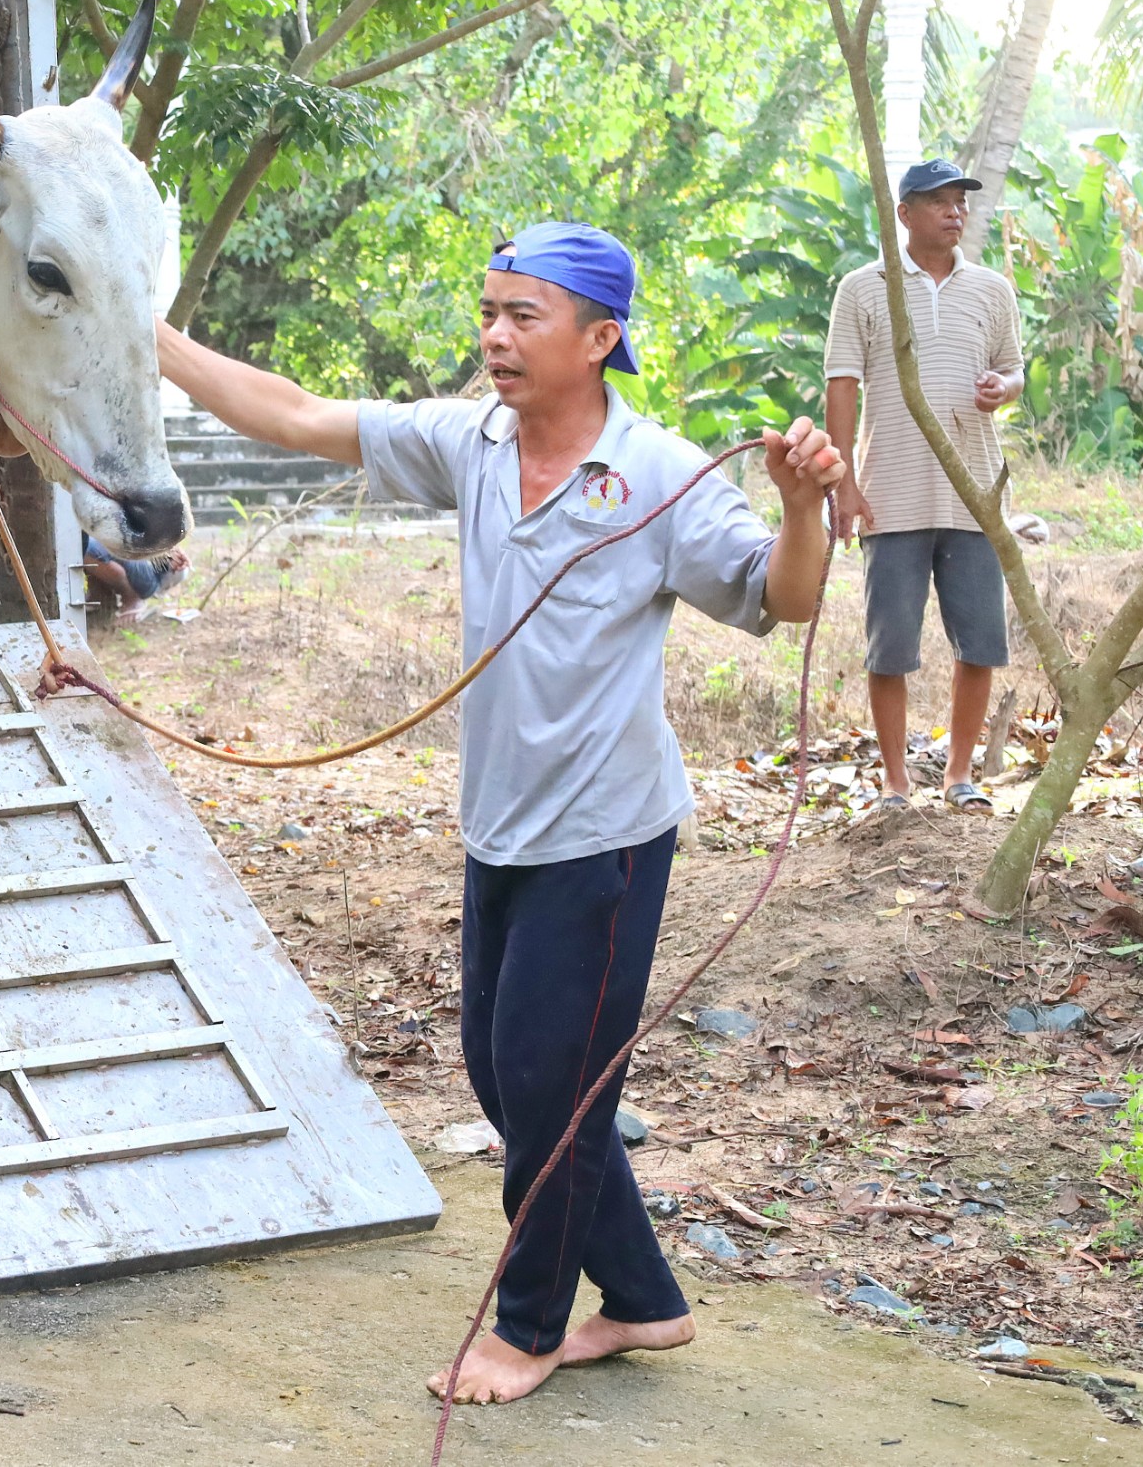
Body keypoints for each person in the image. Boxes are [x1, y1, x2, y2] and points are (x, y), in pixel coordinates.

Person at [154, 222, 842, 1407]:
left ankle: (525, 1329)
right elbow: (292, 414)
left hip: (609, 838)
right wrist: (143, 333)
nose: (494, 337)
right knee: (507, 1075)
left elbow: (782, 598)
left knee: (546, 1081)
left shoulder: (660, 473)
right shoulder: (471, 441)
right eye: (490, 312)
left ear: (600, 337)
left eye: (524, 316)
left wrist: (796, 508)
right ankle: (644, 1302)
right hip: (500, 826)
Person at [824, 159, 1026, 814]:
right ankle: (894, 783)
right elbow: (841, 386)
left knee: (982, 643)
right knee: (890, 648)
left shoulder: (992, 290)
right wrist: (843, 486)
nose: (955, 212)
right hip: (891, 494)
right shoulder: (865, 288)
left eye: (960, 202)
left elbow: (1014, 369)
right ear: (902, 213)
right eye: (937, 202)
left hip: (974, 498)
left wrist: (1005, 388)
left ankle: (960, 776)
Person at [83, 534, 189, 619]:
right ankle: (102, 596)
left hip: (150, 576)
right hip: (150, 563)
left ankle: (131, 597)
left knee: (85, 544)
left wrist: (169, 553)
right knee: (85, 539)